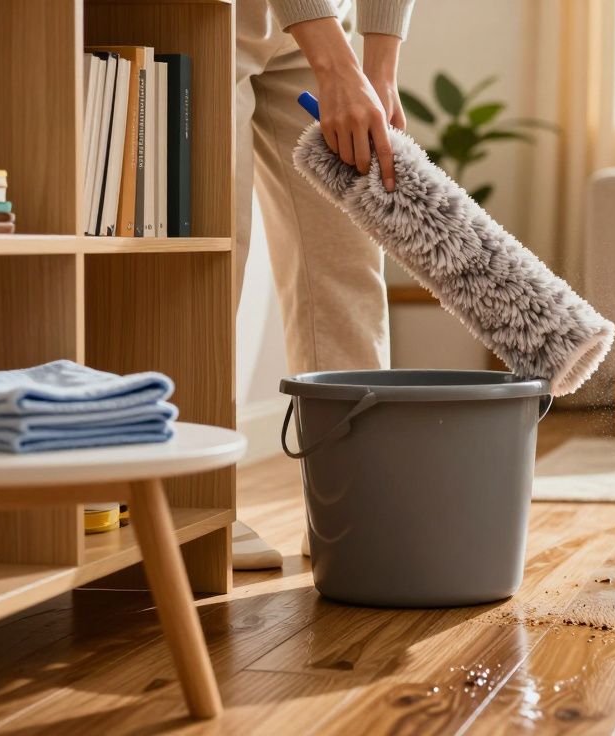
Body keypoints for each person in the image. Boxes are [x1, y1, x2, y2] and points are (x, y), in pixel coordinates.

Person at [231, 0, 415, 569]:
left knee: (345, 259)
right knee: (213, 243)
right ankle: (195, 498)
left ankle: (350, 502)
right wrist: (337, 67)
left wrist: (378, 68)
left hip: (319, 20)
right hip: (212, 17)